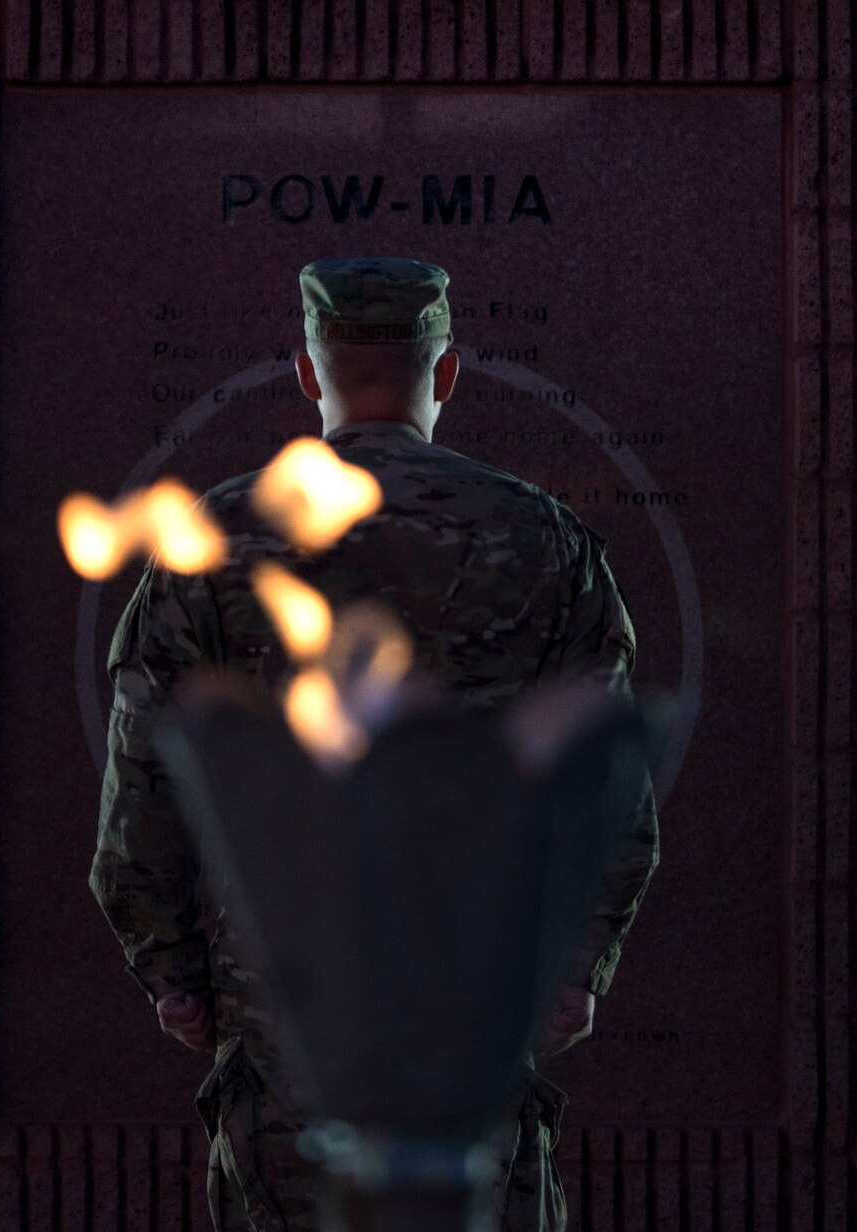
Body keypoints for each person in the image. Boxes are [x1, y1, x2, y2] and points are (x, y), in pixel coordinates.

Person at [88, 256, 661, 1232]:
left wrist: (172, 972)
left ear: (308, 373)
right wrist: (575, 967)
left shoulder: (210, 543)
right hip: (474, 1021)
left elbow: (146, 786)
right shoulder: (546, 538)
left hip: (280, 1030)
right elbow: (604, 778)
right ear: (444, 374)